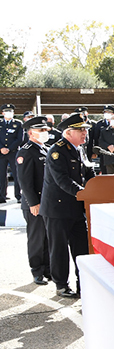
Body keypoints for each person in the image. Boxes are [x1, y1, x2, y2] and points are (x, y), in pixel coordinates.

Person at [41, 114, 95, 298]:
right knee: (59, 250)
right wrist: (84, 193)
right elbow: (62, 180)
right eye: (81, 130)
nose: (85, 133)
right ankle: (62, 285)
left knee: (82, 249)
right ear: (68, 132)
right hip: (58, 210)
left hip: (76, 208)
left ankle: (83, 284)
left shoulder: (80, 149)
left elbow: (88, 172)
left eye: (85, 130)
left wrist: (98, 187)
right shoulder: (57, 151)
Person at [16, 116, 52, 285]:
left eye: (46, 130)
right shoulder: (26, 151)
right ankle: (37, 270)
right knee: (37, 238)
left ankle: (48, 269)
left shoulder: (46, 149)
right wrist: (33, 203)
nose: (45, 133)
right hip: (35, 203)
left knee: (47, 238)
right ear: (31, 133)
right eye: (41, 130)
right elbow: (25, 181)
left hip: (47, 201)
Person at [0, 104, 23, 203]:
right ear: (2, 113)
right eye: (7, 111)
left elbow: (19, 139)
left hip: (13, 152)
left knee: (17, 174)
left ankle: (18, 195)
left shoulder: (18, 124)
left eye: (11, 111)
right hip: (1, 153)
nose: (9, 113)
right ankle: (2, 196)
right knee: (1, 175)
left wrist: (9, 148)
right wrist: (1, 148)